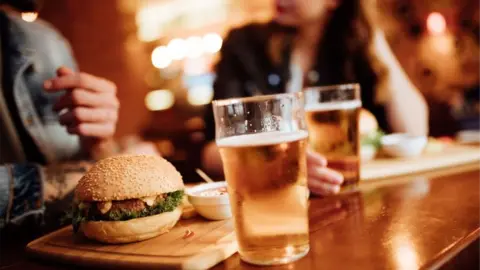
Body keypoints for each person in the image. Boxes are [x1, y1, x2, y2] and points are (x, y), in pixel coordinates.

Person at [202, 0, 428, 195]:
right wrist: (275, 165)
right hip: (272, 203)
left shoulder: (353, 51)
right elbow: (211, 152)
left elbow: (415, 131)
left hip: (353, 197)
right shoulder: (244, 45)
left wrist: (373, 36)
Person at [0, 0, 119, 231]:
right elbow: (84, 175)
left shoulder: (47, 41)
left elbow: (88, 159)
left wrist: (100, 144)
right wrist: (56, 182)